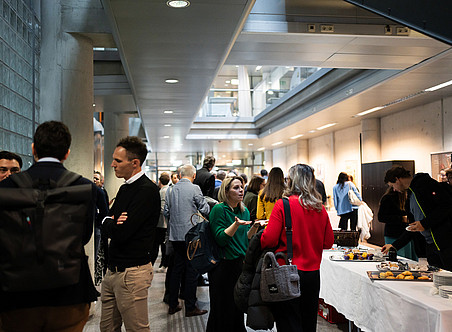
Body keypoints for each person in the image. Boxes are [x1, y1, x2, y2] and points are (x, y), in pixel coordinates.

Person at [0, 121, 98, 332]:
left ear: (33, 148)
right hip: (70, 291)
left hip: (16, 294)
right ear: (67, 153)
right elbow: (85, 236)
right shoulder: (84, 187)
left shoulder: (6, 187)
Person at [260, 164, 334, 332]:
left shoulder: (283, 205)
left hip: (287, 272)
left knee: (288, 322)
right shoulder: (320, 208)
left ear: (291, 181)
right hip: (312, 274)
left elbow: (268, 239)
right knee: (308, 322)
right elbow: (328, 242)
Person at [100, 136, 161, 332]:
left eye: (118, 160)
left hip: (132, 273)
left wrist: (109, 221)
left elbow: (122, 232)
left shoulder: (147, 191)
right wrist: (109, 220)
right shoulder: (125, 187)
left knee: (137, 329)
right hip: (112, 271)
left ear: (134, 163)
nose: (112, 165)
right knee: (107, 328)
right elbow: (106, 219)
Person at [207, 176, 254, 332]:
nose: (241, 190)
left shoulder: (244, 210)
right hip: (222, 266)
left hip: (239, 265)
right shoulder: (219, 209)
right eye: (236, 188)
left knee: (237, 306)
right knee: (221, 308)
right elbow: (220, 239)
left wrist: (255, 229)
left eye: (241, 187)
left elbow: (245, 238)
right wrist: (235, 224)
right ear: (226, 192)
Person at [381, 166, 452, 270]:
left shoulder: (425, 184)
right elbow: (413, 227)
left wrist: (424, 224)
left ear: (397, 179)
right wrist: (394, 246)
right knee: (437, 279)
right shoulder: (410, 195)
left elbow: (446, 206)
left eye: (393, 186)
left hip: (445, 243)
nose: (394, 189)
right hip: (431, 246)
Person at [163, 165, 210, 317]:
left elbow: (166, 212)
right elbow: (205, 209)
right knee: (191, 270)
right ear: (194, 175)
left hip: (175, 236)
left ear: (180, 174)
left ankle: (172, 303)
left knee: (177, 269)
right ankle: (190, 306)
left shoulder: (171, 190)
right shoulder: (195, 188)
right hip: (191, 235)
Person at [378, 183, 417, 261]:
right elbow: (381, 217)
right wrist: (401, 219)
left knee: (409, 260)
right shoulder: (388, 198)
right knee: (399, 260)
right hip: (394, 234)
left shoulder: (410, 197)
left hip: (408, 234)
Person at [150, 172, 170, 272]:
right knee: (163, 245)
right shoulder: (169, 190)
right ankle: (163, 264)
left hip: (161, 223)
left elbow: (163, 208)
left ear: (159, 181)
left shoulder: (162, 191)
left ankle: (161, 264)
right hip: (165, 223)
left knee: (158, 245)